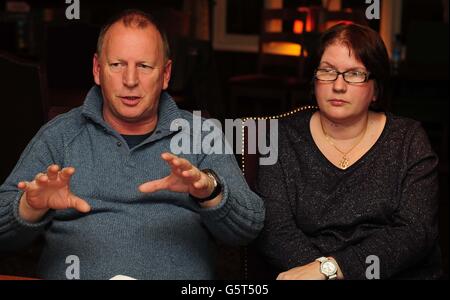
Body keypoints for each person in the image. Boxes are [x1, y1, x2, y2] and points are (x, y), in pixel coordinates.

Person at [0, 9, 264, 280]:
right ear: (97, 69)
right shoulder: (60, 135)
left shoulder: (202, 135)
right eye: (117, 65)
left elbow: (249, 228)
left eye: (144, 66)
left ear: (165, 74)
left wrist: (209, 192)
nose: (130, 80)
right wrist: (30, 207)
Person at [256, 23, 442, 280]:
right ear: (314, 80)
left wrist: (333, 269)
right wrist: (322, 274)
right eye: (327, 71)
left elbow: (415, 231)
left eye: (355, 74)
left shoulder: (408, 139)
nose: (338, 86)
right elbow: (275, 230)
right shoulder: (278, 137)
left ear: (375, 88)